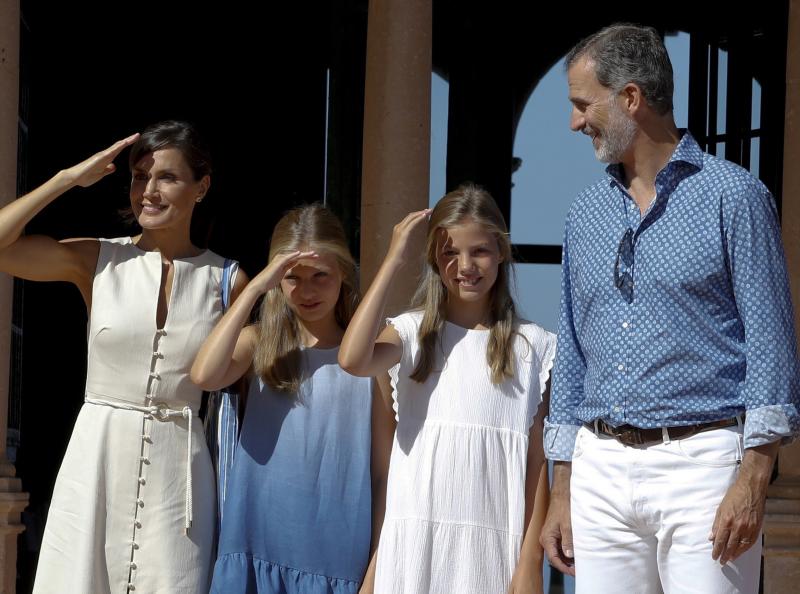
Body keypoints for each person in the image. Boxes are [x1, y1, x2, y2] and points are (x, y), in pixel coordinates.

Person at [540, 23, 800, 594]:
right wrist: (563, 485)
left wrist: (755, 475)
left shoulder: (735, 197)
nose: (574, 122)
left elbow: (771, 344)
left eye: (583, 104)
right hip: (600, 471)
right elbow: (574, 354)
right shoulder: (584, 214)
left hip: (705, 465)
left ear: (630, 98)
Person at [0, 120, 247, 593]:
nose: (148, 191)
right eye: (139, 177)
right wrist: (67, 179)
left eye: (167, 178)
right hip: (96, 459)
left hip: (181, 473)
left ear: (203, 187)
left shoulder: (228, 280)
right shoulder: (96, 259)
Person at [339, 184, 554, 594]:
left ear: (502, 251)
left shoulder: (534, 347)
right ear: (433, 260)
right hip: (413, 551)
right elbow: (352, 359)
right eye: (449, 253)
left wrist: (530, 564)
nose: (465, 265)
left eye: (480, 251)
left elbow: (536, 464)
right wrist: (393, 259)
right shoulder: (409, 336)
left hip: (493, 552)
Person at [192, 204, 373, 594]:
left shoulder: (372, 358)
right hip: (257, 549)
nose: (306, 291)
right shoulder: (261, 344)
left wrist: (375, 571)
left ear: (343, 270)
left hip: (338, 559)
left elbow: (384, 474)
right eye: (292, 277)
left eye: (320, 275)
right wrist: (257, 286)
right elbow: (205, 376)